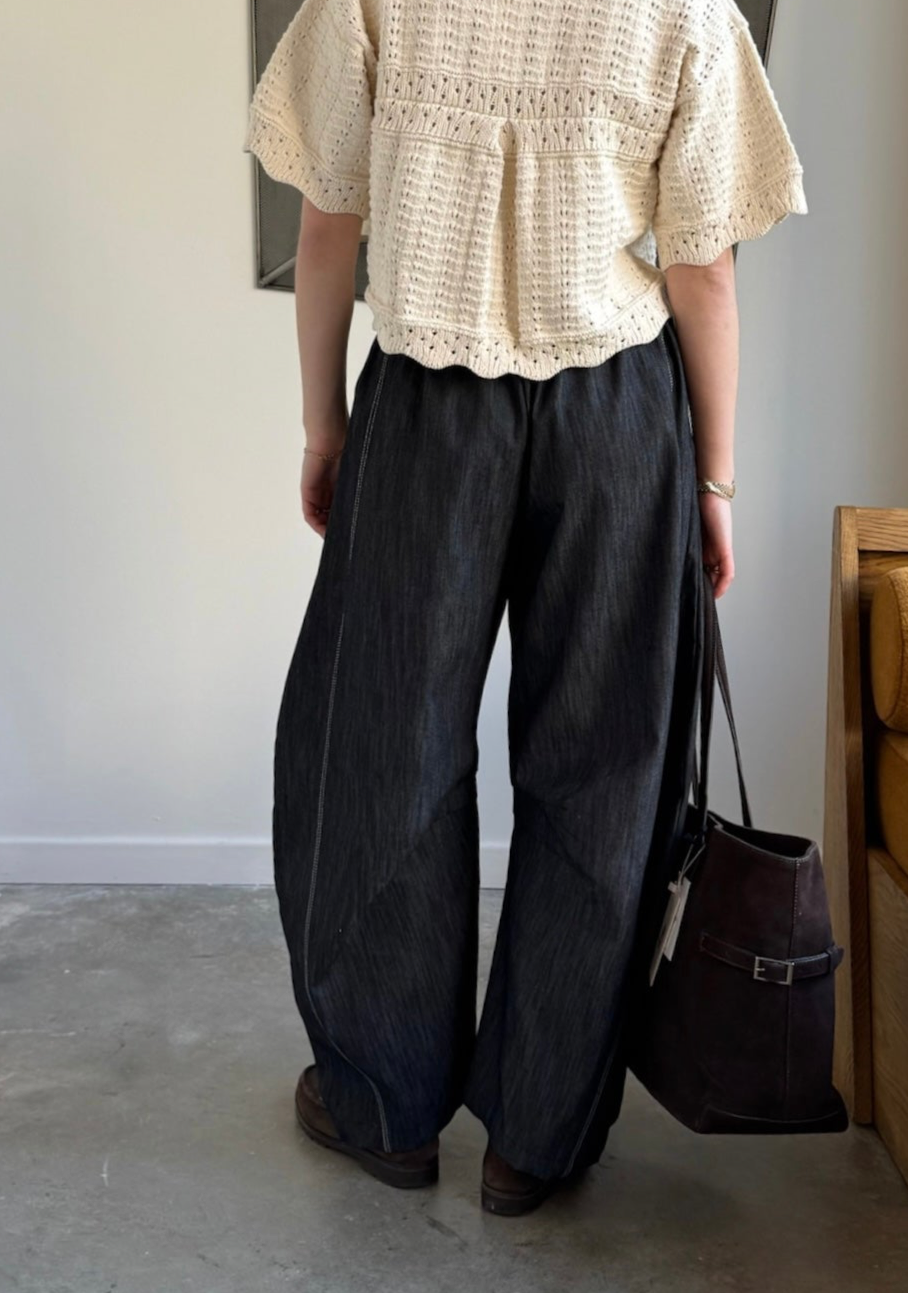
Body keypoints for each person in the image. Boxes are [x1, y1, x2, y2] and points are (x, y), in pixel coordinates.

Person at [242, 0, 807, 1216]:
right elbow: (703, 268)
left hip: (427, 411)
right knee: (603, 768)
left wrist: (325, 426)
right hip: (616, 417)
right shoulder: (685, 11)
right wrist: (713, 480)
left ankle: (384, 1103)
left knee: (384, 747)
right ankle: (537, 1136)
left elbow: (328, 223)